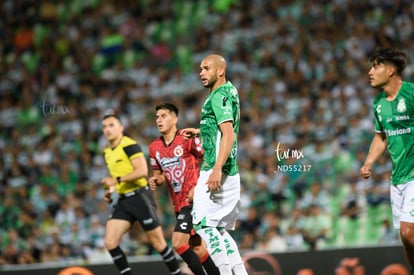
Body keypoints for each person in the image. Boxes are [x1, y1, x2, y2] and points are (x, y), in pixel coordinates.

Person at [182, 54, 248, 275]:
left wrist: (216, 169)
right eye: (200, 68)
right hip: (231, 170)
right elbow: (225, 127)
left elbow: (228, 134)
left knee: (203, 226)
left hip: (217, 168)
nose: (201, 72)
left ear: (220, 70)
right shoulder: (230, 90)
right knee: (218, 229)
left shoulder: (218, 95)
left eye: (206, 68)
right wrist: (201, 131)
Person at [100, 110, 184, 275]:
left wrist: (115, 181)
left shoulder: (129, 145)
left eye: (111, 125)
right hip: (123, 200)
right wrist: (110, 190)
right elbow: (116, 177)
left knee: (158, 244)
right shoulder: (107, 152)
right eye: (104, 127)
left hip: (140, 197)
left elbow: (142, 171)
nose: (107, 129)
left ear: (121, 128)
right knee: (110, 242)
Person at [148, 102, 220, 275]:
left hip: (194, 200)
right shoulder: (154, 148)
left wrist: (200, 186)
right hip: (178, 204)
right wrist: (156, 180)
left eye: (164, 116)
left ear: (175, 119)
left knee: (179, 243)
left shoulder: (186, 139)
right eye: (157, 117)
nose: (159, 120)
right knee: (198, 249)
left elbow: (210, 160)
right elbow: (159, 174)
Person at [360, 48, 414, 275]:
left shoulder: (411, 94)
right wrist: (369, 161)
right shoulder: (379, 103)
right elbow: (380, 136)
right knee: (407, 240)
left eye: (376, 66)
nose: (370, 72)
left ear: (391, 70)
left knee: (407, 232)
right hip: (398, 178)